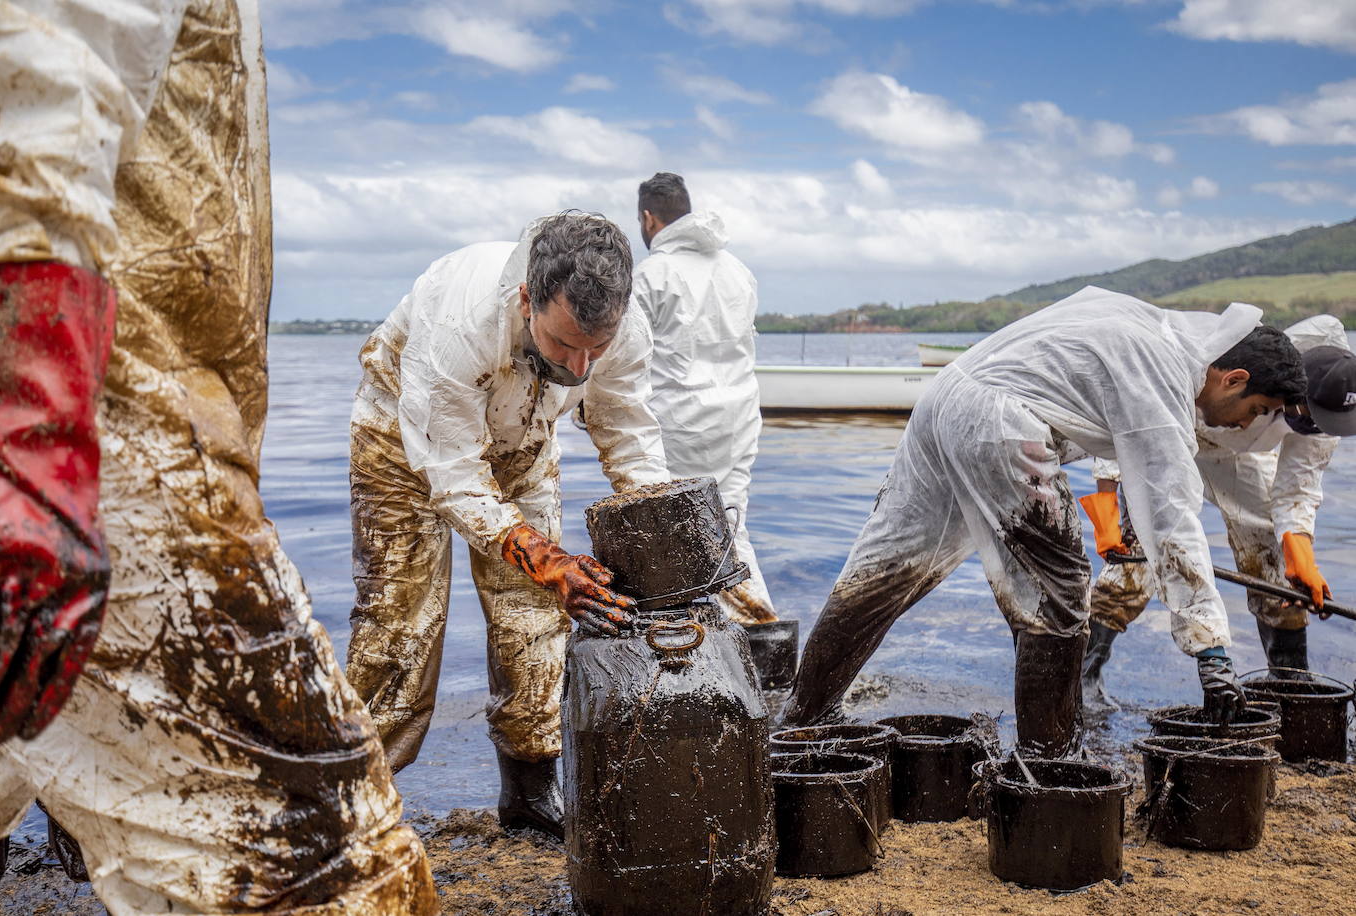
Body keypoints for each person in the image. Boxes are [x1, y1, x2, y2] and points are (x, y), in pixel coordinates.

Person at [0, 2, 438, 912]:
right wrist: (26, 413)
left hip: (134, 400)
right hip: (104, 413)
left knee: (19, 706)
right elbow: (41, 48)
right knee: (323, 860)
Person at [780, 287, 1308, 757]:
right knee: (1060, 591)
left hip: (943, 399)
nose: (1247, 424)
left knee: (885, 571)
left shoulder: (1147, 326)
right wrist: (1212, 652)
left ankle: (799, 723)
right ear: (1233, 377)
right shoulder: (1165, 369)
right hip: (1000, 420)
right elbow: (1172, 516)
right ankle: (1050, 759)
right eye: (1257, 408)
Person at [345, 212, 668, 840]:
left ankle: (528, 794)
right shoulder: (460, 320)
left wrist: (655, 519)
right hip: (403, 448)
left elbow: (626, 428)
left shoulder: (618, 331)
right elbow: (454, 472)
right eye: (562, 344)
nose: (579, 366)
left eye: (594, 350)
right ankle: (352, 800)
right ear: (527, 299)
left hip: (522, 445)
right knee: (399, 625)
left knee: (537, 618)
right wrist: (547, 558)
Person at [1081, 315, 1356, 705]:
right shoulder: (1239, 355)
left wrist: (1301, 554)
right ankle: (1085, 677)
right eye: (1306, 415)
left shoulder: (1333, 405)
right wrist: (1107, 496)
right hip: (1174, 428)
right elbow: (1130, 408)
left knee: (1271, 556)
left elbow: (1298, 484)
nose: (1313, 426)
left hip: (1237, 455)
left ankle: (1290, 683)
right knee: (1141, 555)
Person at [632, 172, 776, 625]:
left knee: (675, 537)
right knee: (731, 528)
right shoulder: (737, 270)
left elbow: (627, 360)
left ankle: (684, 652)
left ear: (648, 218)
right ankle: (762, 638)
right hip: (739, 418)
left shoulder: (650, 275)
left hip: (679, 423)